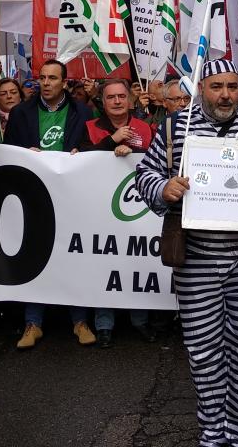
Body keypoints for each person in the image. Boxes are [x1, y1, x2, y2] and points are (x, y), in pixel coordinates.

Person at [135, 58, 238, 447]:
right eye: (216, 86)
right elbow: (144, 174)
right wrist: (164, 187)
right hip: (196, 261)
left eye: (232, 86)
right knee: (204, 353)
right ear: (201, 88)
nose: (225, 95)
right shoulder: (175, 127)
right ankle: (213, 433)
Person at [4, 60, 95, 349]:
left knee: (73, 254)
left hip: (71, 194)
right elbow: (8, 151)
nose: (46, 83)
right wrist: (24, 155)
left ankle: (79, 321)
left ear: (64, 82)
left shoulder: (83, 111)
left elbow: (93, 148)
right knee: (35, 253)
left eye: (52, 78)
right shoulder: (21, 113)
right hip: (35, 194)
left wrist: (82, 153)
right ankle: (33, 323)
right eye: (42, 77)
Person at [81, 80, 156, 347]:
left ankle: (140, 320)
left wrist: (132, 152)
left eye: (121, 96)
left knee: (135, 261)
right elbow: (79, 157)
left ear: (131, 100)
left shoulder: (145, 128)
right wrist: (110, 143)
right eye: (110, 97)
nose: (116, 101)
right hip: (99, 207)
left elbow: (154, 161)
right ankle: (104, 325)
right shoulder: (90, 127)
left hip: (135, 208)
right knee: (105, 263)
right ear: (102, 101)